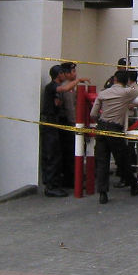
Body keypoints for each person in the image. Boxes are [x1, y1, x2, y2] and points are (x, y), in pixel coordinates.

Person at [90, 68, 138, 204]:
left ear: (114, 80)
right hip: (115, 129)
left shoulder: (103, 93)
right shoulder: (126, 92)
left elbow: (93, 114)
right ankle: (133, 185)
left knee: (102, 161)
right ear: (126, 81)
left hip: (101, 127)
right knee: (122, 159)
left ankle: (102, 193)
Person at [57, 62, 91, 188]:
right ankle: (71, 180)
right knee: (71, 153)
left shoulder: (71, 86)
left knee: (75, 153)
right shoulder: (66, 87)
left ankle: (74, 178)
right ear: (65, 73)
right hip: (69, 124)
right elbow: (70, 108)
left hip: (73, 123)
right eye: (73, 72)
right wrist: (75, 125)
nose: (75, 74)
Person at [39, 64, 69, 197]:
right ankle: (50, 186)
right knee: (51, 154)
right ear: (59, 74)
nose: (65, 75)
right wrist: (77, 81)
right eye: (63, 73)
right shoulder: (51, 87)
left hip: (54, 122)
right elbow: (64, 88)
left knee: (56, 154)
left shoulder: (54, 89)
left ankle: (55, 183)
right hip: (49, 123)